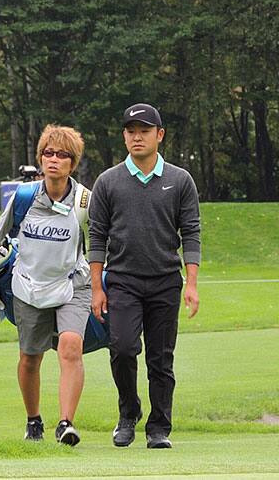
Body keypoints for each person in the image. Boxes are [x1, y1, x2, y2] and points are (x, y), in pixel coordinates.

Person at [0, 125, 92, 446]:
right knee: (30, 358)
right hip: (29, 286)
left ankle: (66, 423)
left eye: (62, 155)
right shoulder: (23, 197)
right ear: (40, 158)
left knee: (70, 346)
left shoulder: (85, 201)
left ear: (73, 163)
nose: (54, 159)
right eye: (48, 153)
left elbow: (103, 241)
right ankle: (34, 420)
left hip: (73, 285)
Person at [88, 103, 201, 450]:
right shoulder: (108, 182)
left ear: (159, 135)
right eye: (131, 131)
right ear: (124, 136)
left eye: (145, 131)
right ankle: (128, 413)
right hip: (123, 281)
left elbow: (191, 232)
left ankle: (159, 428)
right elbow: (97, 236)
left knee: (160, 359)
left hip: (165, 281)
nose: (137, 137)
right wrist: (96, 288)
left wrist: (192, 284)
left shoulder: (180, 180)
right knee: (122, 348)